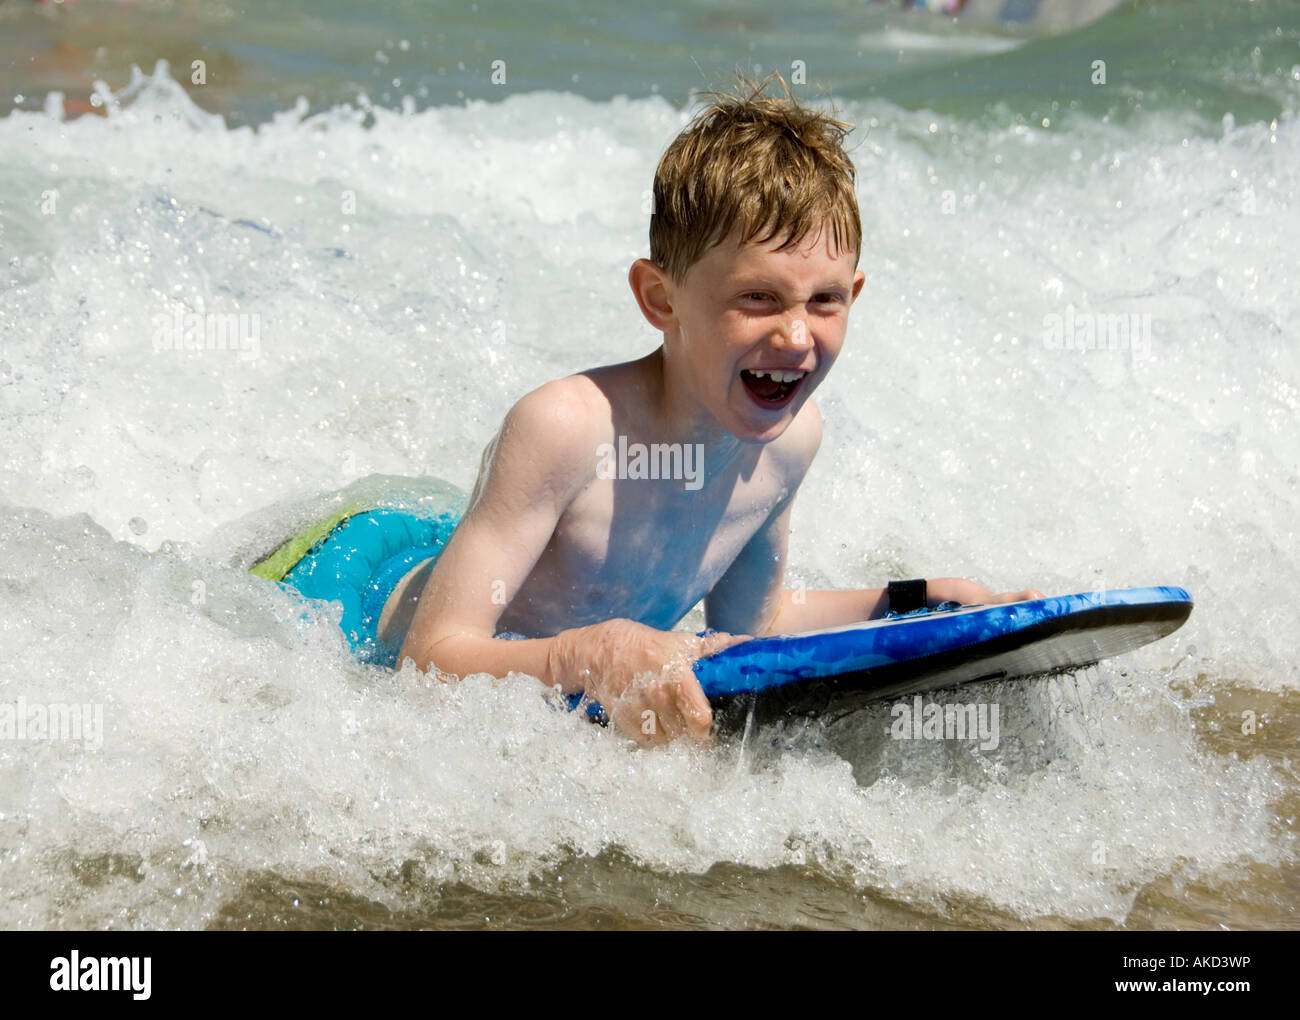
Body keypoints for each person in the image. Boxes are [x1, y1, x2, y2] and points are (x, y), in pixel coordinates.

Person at [383, 74, 1039, 745]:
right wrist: (588, 654)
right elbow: (427, 660)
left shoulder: (787, 443)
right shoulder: (565, 430)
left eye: (825, 300)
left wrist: (919, 603)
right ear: (661, 299)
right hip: (364, 588)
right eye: (757, 297)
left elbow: (759, 623)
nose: (795, 335)